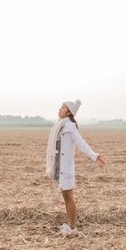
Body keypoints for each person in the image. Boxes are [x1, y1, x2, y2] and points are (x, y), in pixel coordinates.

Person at [46, 99, 105, 235]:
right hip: (60, 166)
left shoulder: (70, 127)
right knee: (65, 196)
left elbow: (81, 143)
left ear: (68, 112)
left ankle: (72, 227)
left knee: (69, 197)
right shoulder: (60, 125)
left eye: (62, 108)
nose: (59, 110)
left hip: (65, 168)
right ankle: (69, 224)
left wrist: (95, 156)